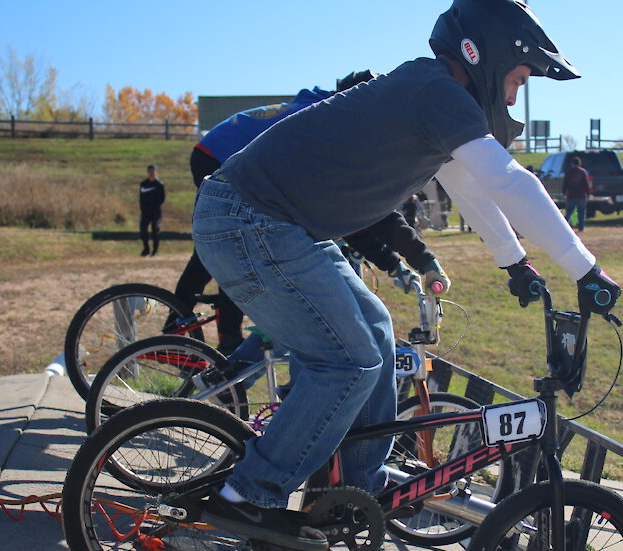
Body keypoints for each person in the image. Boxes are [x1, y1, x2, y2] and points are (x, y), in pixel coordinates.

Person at [191, 0, 621, 550]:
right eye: (516, 79)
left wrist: (513, 260)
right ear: (484, 57)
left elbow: (468, 184)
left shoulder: (433, 96)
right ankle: (249, 497)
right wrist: (587, 270)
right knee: (347, 360)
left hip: (274, 223)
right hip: (251, 220)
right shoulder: (434, 90)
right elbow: (510, 181)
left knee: (375, 337)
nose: (514, 96)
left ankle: (354, 491)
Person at [182, 72, 450, 355]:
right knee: (239, 254)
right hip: (222, 162)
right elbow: (353, 217)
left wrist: (402, 262)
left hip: (236, 162)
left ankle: (202, 326)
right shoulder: (333, 127)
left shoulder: (337, 117)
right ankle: (223, 341)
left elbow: (361, 215)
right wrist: (404, 261)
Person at [138, 164, 165, 256]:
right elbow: (141, 198)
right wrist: (142, 209)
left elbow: (162, 199)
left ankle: (155, 251)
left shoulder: (159, 185)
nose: (152, 173)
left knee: (155, 230)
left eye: (153, 171)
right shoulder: (143, 184)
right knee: (143, 229)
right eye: (150, 171)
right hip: (145, 212)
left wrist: (156, 207)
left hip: (156, 212)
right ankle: (146, 249)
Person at [562, 155, 591, 232]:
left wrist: (564, 192)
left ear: (572, 163)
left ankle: (565, 228)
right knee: (581, 213)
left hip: (571, 195)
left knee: (568, 213)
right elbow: (586, 184)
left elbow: (565, 183)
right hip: (581, 195)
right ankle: (581, 228)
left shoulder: (568, 172)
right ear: (579, 163)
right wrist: (588, 193)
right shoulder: (582, 172)